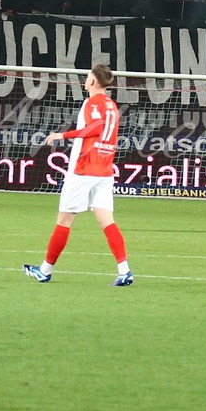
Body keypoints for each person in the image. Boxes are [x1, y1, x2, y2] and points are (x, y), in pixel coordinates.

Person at [23, 63, 132, 286]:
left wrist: (62, 135)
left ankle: (45, 270)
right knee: (107, 221)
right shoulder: (112, 105)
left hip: (85, 167)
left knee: (64, 219)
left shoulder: (93, 102)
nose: (85, 79)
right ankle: (124, 270)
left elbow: (96, 128)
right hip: (104, 168)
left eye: (87, 76)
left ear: (93, 81)